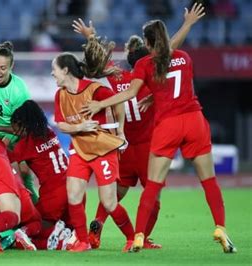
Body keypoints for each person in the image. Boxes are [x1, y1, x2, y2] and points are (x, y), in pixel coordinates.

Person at [80, 10, 237, 254]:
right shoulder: (183, 58)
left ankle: (115, 228)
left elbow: (104, 64)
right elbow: (169, 55)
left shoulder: (126, 75)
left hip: (127, 145)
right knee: (181, 188)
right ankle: (217, 227)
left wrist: (91, 37)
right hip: (171, 130)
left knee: (119, 192)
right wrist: (187, 24)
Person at [52, 33, 135, 252]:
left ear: (66, 70)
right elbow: (61, 125)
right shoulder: (60, 95)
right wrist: (80, 127)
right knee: (73, 195)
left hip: (103, 150)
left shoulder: (95, 89)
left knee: (109, 203)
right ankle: (83, 241)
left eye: (55, 69)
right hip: (79, 150)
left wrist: (121, 131)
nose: (53, 74)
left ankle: (131, 238)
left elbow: (118, 102)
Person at [9, 100, 71, 250]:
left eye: (17, 129)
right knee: (72, 227)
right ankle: (65, 233)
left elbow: (22, 171)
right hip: (73, 184)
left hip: (53, 192)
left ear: (23, 124)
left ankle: (28, 234)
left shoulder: (23, 146)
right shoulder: (48, 132)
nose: (16, 133)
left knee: (34, 227)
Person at [0, 41, 37, 202]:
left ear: (11, 67)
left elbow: (23, 127)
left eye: (3, 68)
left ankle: (33, 207)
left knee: (24, 172)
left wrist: (3, 135)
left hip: (20, 133)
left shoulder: (19, 90)